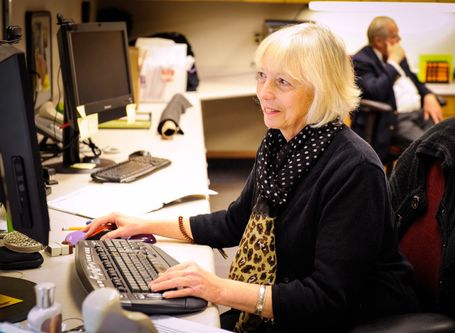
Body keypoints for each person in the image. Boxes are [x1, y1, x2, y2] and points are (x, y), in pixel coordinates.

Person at [84, 23, 418, 332]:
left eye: (282, 82)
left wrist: (219, 289)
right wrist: (143, 225)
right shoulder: (280, 142)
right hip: (282, 302)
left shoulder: (354, 170)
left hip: (336, 319)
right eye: (261, 75)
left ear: (322, 90)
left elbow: (327, 298)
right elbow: (234, 222)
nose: (264, 92)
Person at [351, 16, 443, 163]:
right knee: (433, 149)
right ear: (379, 41)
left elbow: (415, 81)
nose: (399, 40)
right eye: (394, 36)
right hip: (394, 121)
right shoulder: (361, 60)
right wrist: (393, 62)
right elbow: (377, 91)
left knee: (449, 143)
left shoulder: (399, 56)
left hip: (421, 115)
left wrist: (428, 95)